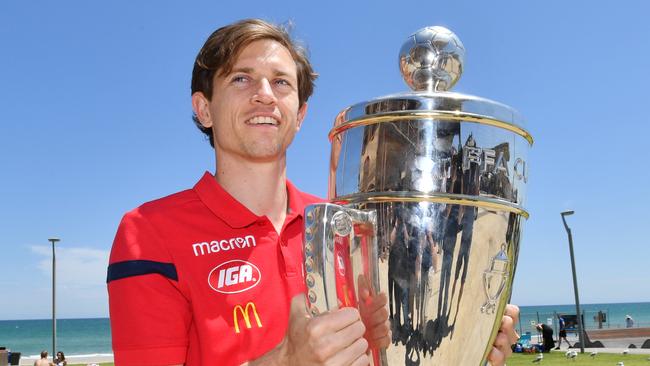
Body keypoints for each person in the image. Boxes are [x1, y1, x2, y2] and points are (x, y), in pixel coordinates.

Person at [106, 18, 520, 366]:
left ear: (300, 114)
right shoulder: (148, 233)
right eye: (241, 78)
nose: (264, 94)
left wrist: (463, 338)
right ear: (203, 108)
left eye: (281, 83)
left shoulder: (348, 227)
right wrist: (285, 360)